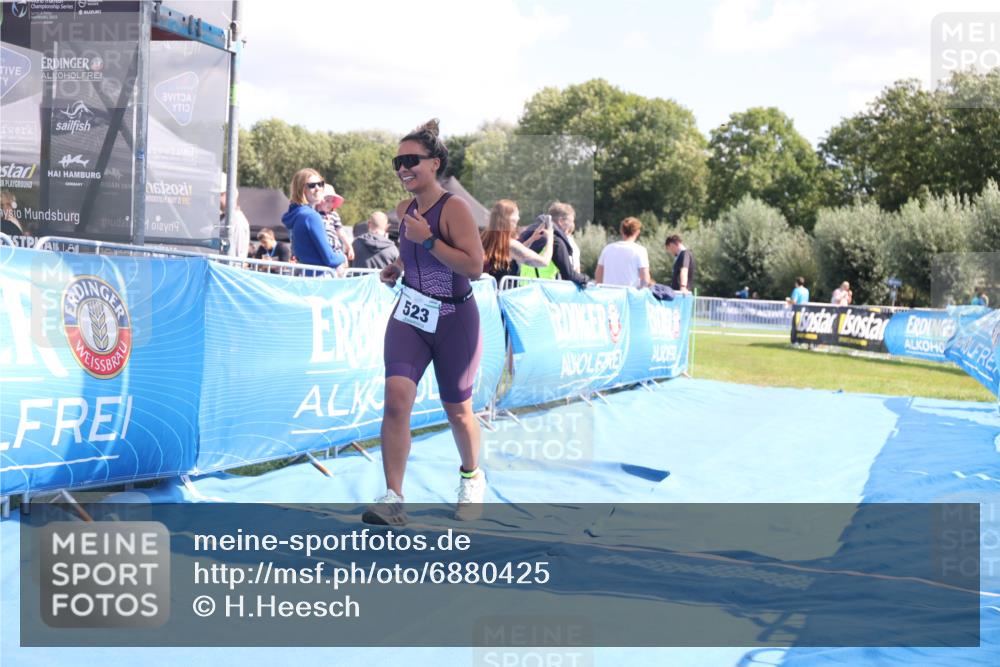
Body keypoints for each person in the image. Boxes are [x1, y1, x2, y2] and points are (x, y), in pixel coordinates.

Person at [364, 119, 486, 525]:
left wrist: (428, 240)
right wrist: (398, 266)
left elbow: (474, 266)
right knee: (396, 401)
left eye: (410, 160)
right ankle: (393, 496)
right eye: (397, 161)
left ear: (434, 163)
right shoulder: (404, 210)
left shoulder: (455, 208)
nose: (402, 168)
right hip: (411, 314)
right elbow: (414, 250)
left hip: (455, 319)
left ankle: (471, 476)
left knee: (458, 411)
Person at [281, 169, 346, 274]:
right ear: (301, 190)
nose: (318, 188)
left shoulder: (296, 214)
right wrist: (343, 257)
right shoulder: (311, 217)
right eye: (312, 185)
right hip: (319, 280)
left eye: (320, 184)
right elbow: (330, 259)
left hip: (305, 277)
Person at [481, 199, 553, 285]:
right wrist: (550, 239)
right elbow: (544, 262)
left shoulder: (486, 238)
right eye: (516, 214)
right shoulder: (510, 244)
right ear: (506, 218)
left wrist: (532, 239)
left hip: (491, 293)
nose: (518, 218)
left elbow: (514, 253)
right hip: (504, 295)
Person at [518, 202, 589, 286]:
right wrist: (585, 279)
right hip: (543, 290)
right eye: (571, 222)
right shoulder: (556, 241)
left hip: (523, 289)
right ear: (561, 221)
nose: (572, 225)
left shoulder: (532, 234)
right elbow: (568, 274)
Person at [595, 216, 652, 288]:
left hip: (608, 295)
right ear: (637, 232)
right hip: (628, 296)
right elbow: (645, 278)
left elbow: (598, 274)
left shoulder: (607, 249)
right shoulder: (640, 251)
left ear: (621, 231)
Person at [316, 183, 354, 275]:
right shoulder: (314, 215)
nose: (330, 204)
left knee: (341, 271)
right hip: (322, 248)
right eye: (327, 200)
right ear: (319, 200)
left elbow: (341, 231)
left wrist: (349, 246)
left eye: (332, 201)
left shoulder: (334, 215)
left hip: (335, 248)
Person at [219, 175, 250, 260]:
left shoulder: (237, 221)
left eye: (220, 195)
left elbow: (236, 256)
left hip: (227, 271)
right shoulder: (226, 219)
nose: (215, 198)